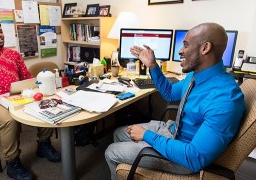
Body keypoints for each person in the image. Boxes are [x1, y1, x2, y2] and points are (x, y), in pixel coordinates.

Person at [105, 23, 245, 180]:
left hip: (183, 156)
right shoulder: (196, 75)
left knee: (111, 152)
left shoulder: (224, 99)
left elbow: (194, 157)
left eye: (185, 45)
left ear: (205, 48)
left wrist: (147, 136)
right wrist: (152, 65)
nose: (180, 51)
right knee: (118, 133)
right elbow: (169, 93)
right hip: (173, 131)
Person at [0, 16, 61, 180]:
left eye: (0, 31)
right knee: (10, 119)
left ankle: (44, 144)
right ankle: (12, 162)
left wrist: (42, 88)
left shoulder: (13, 54)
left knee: (47, 104)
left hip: (17, 94)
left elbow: (26, 77)